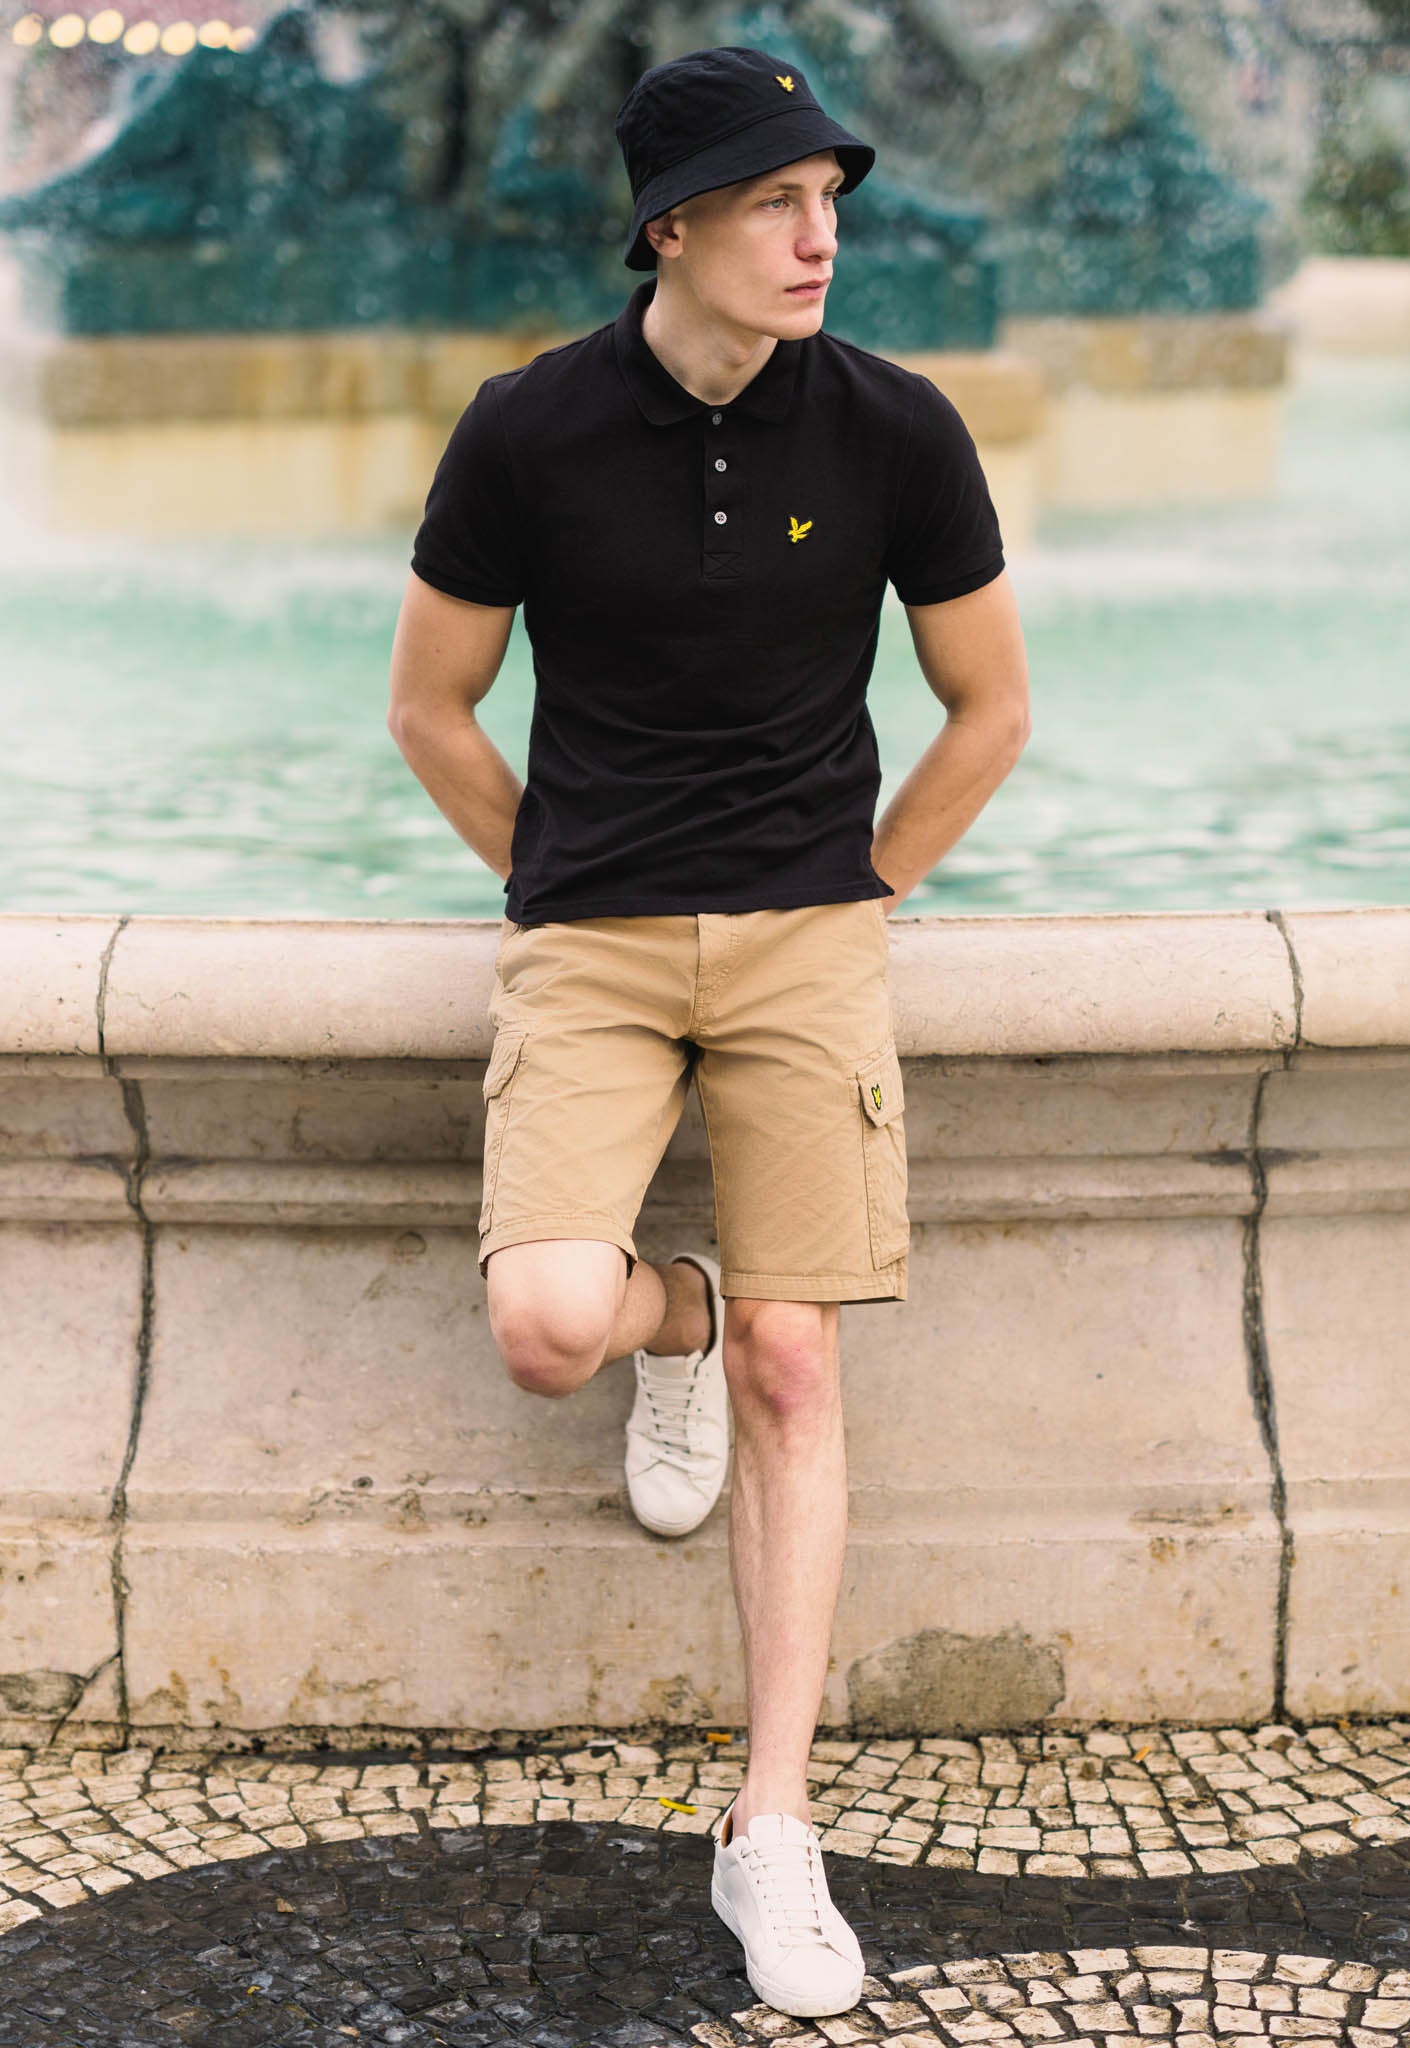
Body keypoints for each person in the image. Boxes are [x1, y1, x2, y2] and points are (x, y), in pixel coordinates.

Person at [387, 43, 1031, 2022]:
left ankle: (770, 1828)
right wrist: (553, 873)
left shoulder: (897, 426)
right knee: (544, 1324)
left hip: (802, 940)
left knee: (794, 1357)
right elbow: (427, 706)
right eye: (773, 203)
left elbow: (988, 707)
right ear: (670, 229)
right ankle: (668, 1316)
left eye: (825, 197)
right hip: (591, 940)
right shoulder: (524, 429)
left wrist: (862, 889)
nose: (817, 235)